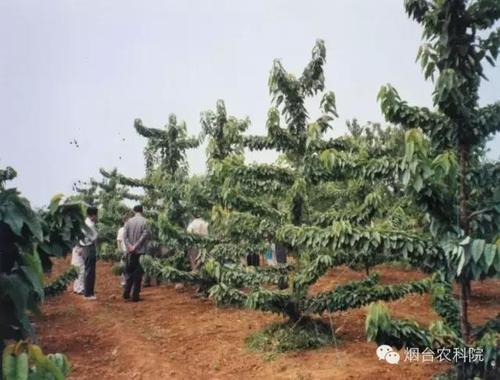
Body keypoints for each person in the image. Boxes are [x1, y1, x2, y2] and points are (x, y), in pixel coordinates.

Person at [123, 205, 150, 302]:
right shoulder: (145, 221)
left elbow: (124, 236)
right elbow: (145, 235)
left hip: (130, 252)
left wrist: (129, 246)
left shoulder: (128, 221)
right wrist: (136, 246)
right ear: (142, 211)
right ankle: (135, 296)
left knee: (129, 271)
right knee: (138, 274)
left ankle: (126, 292)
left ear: (134, 211)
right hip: (140, 252)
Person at [80, 206, 98, 300]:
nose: (97, 217)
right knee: (90, 271)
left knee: (88, 270)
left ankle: (89, 292)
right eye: (96, 215)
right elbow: (94, 238)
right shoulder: (90, 225)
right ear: (93, 215)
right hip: (89, 248)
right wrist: (97, 249)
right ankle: (88, 294)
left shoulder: (85, 222)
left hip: (84, 247)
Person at [116, 212, 132, 287]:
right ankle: (124, 282)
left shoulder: (130, 229)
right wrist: (120, 250)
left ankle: (127, 282)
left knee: (128, 266)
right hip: (125, 250)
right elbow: (118, 241)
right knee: (124, 266)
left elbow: (118, 241)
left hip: (129, 250)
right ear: (125, 221)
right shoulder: (121, 230)